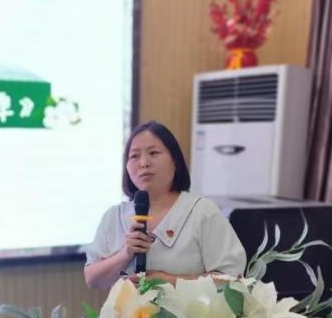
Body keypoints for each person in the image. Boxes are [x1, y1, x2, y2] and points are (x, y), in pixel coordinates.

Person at [84, 121, 246, 290]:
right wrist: (124, 254)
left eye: (153, 153)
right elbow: (93, 280)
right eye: (134, 156)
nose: (143, 163)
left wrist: (170, 281)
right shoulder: (113, 216)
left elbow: (231, 278)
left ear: (175, 161)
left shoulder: (202, 211)